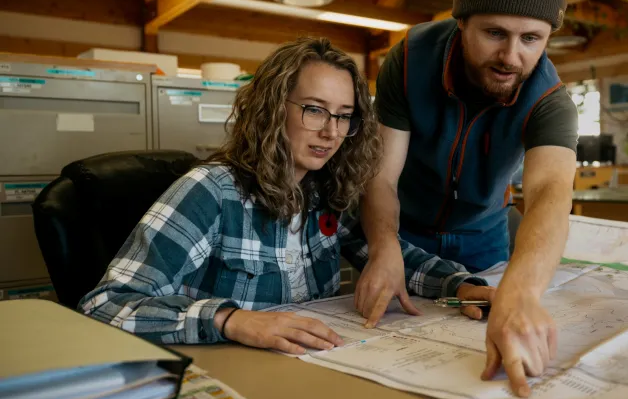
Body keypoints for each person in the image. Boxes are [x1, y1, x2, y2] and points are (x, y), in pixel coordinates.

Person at [79, 37, 494, 354]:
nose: (331, 132)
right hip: (229, 372)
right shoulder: (210, 191)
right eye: (314, 109)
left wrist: (460, 287)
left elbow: (391, 259)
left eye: (344, 116)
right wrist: (230, 320)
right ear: (274, 108)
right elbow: (105, 303)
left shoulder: (324, 194)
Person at [357, 0, 578, 396]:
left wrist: (521, 293)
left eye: (532, 39)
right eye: (494, 32)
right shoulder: (411, 59)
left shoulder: (551, 100)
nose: (511, 56)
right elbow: (381, 176)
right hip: (405, 234)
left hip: (484, 241)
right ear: (462, 21)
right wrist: (383, 245)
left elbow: (549, 193)